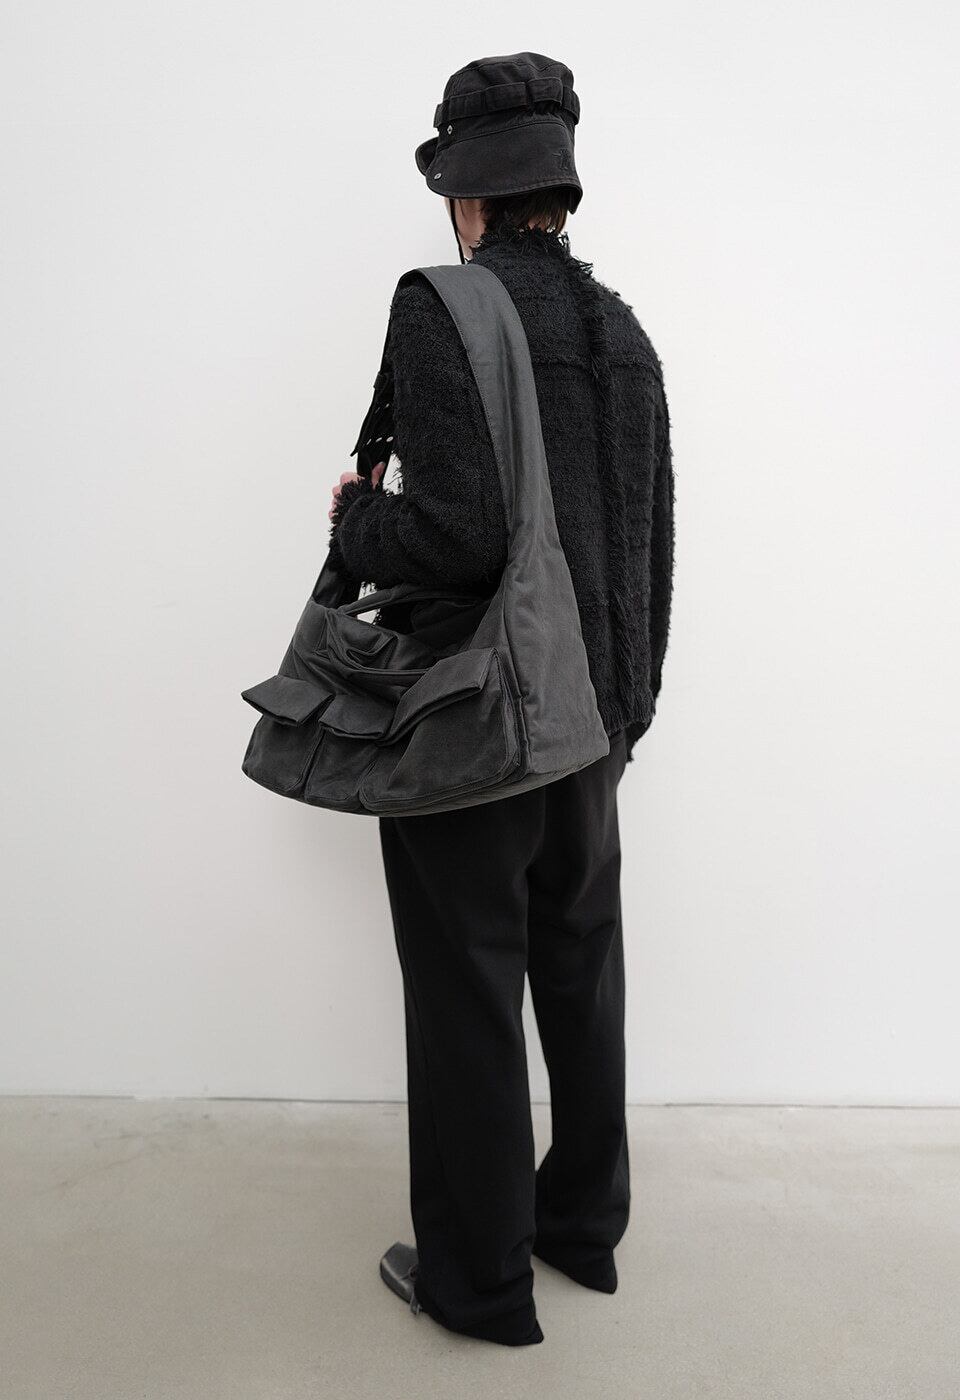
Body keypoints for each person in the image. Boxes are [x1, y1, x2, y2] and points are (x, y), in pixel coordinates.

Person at [327, 52, 674, 1348]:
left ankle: (477, 1281)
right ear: (557, 188)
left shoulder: (448, 310)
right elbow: (651, 547)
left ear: (465, 192)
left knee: (469, 991)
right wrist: (623, 719)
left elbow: (458, 537)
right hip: (591, 723)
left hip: (479, 726)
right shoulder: (622, 332)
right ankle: (580, 1226)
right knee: (581, 971)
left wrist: (360, 522)